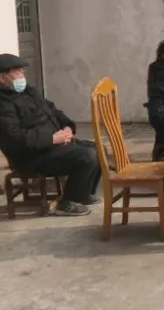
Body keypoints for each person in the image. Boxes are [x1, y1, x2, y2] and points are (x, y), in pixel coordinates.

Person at [0, 53, 100, 216]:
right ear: (2, 78)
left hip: (52, 147)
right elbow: (15, 137)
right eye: (17, 72)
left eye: (22, 71)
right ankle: (66, 203)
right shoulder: (3, 104)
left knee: (98, 149)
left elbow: (52, 110)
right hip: (32, 157)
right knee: (86, 156)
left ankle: (82, 194)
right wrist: (52, 139)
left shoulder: (29, 92)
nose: (22, 75)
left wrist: (67, 127)